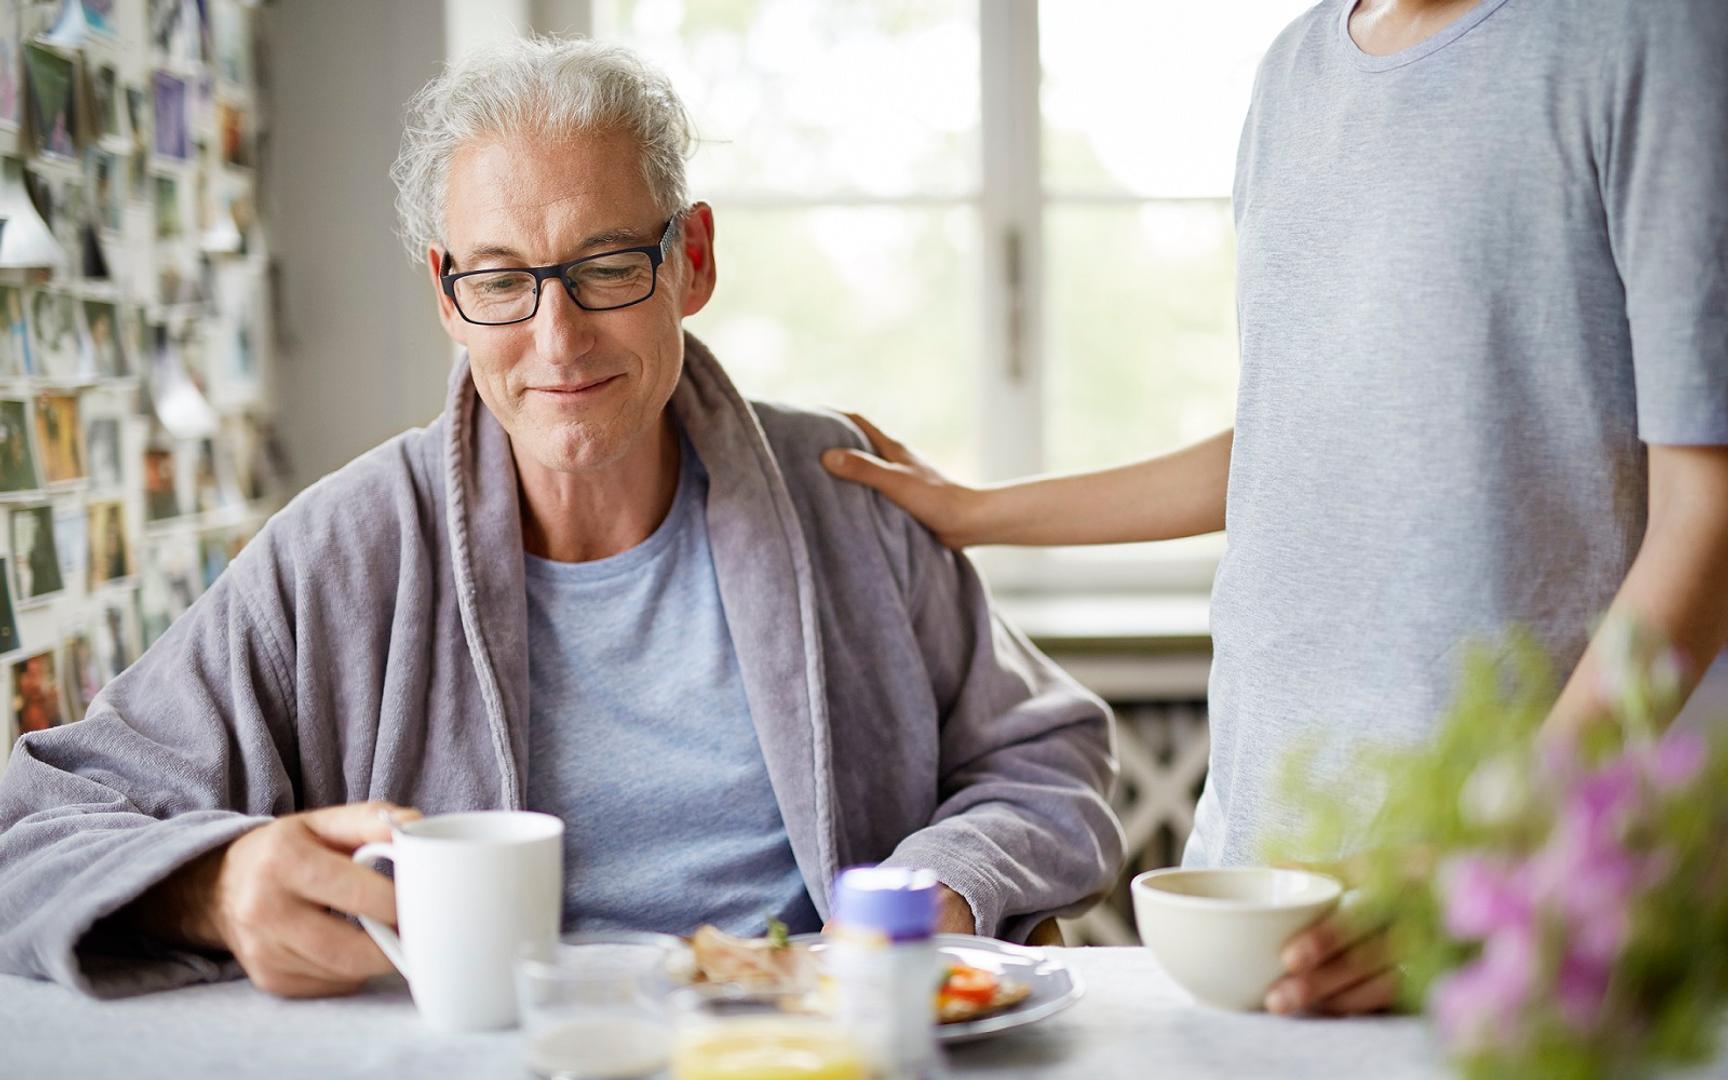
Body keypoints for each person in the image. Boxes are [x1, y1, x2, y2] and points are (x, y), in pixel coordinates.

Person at [0, 37, 1122, 1000]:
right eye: (502, 280)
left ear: (691, 260)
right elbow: (32, 830)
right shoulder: (339, 553)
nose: (559, 338)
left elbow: (1044, 752)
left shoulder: (847, 494)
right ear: (448, 295)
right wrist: (218, 882)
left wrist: (942, 889)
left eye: (605, 266)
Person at [823, 0, 1728, 1017]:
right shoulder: (1293, 74)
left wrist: (1489, 854)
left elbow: (1709, 512)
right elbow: (1298, 439)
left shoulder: (1656, 35)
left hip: (1518, 906)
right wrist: (979, 513)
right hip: (1255, 880)